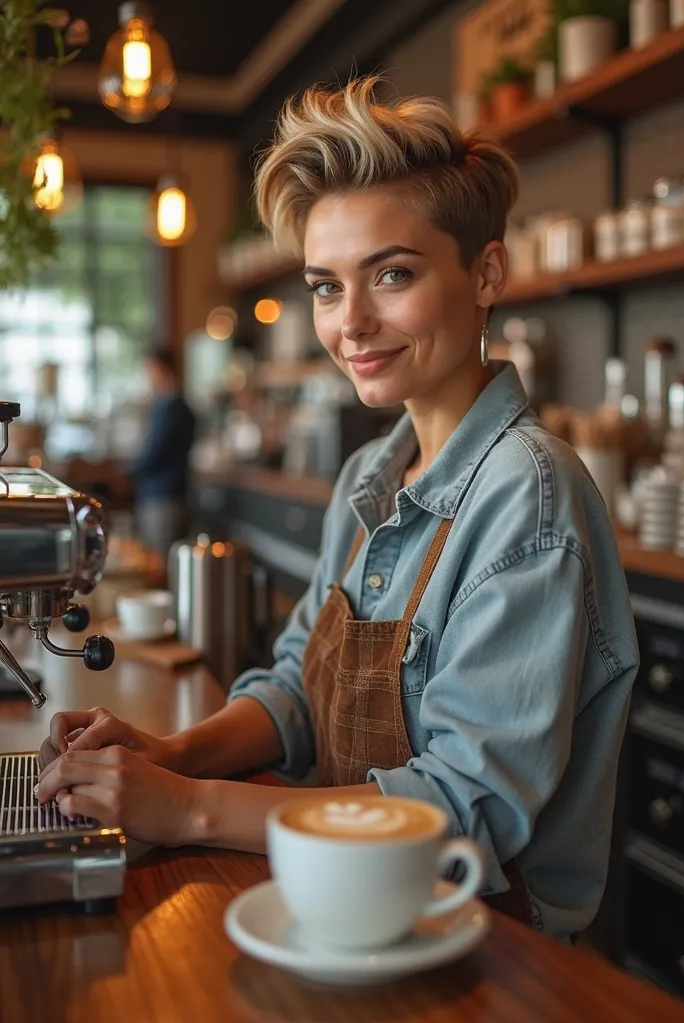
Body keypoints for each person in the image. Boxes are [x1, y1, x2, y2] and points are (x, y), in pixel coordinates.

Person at [37, 77, 639, 942]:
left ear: (487, 273)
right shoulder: (372, 471)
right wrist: (170, 754)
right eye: (326, 286)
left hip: (488, 944)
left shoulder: (530, 497)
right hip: (345, 898)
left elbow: (466, 809)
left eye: (391, 274)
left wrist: (191, 808)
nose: (350, 323)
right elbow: (295, 689)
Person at [129, 347, 195, 561]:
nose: (148, 376)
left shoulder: (174, 410)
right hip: (160, 496)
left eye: (151, 370)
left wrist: (123, 472)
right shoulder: (166, 407)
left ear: (163, 370)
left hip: (164, 500)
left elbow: (153, 454)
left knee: (161, 565)